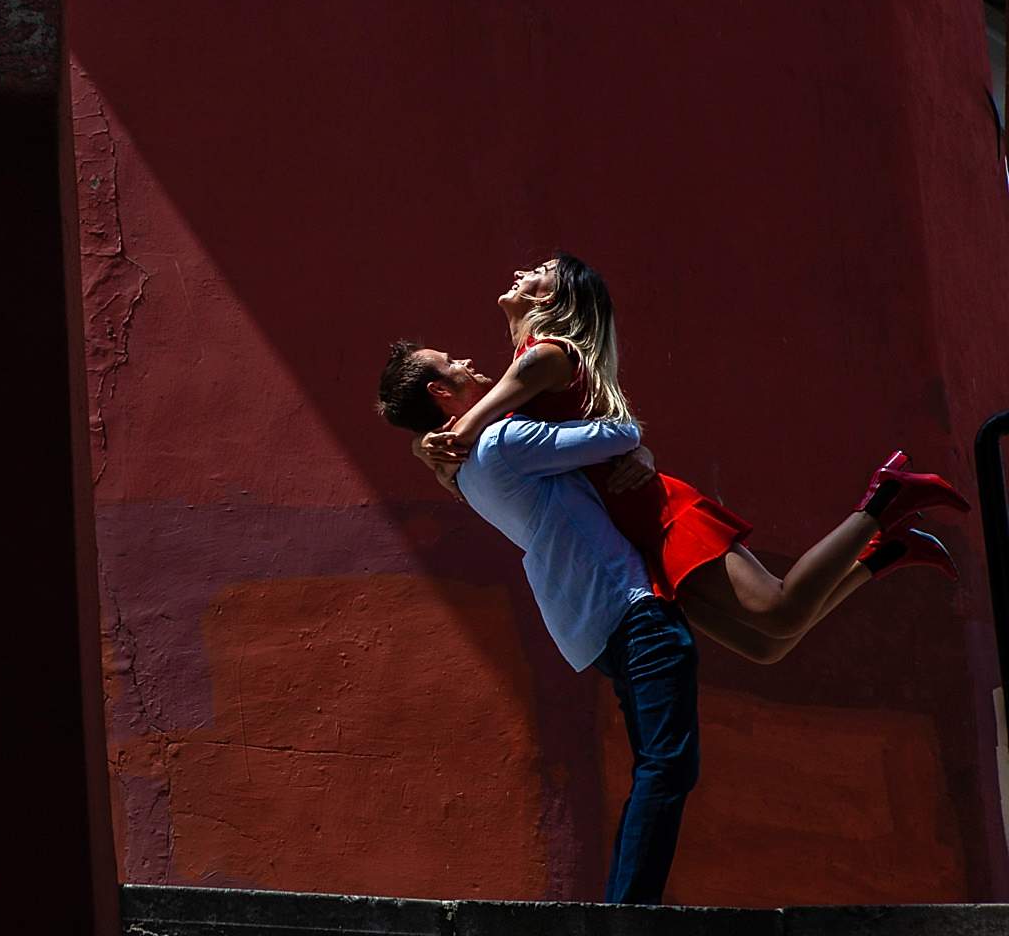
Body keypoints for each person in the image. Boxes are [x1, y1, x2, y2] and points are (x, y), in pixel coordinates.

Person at [415, 253, 969, 664]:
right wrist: (433, 448)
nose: (522, 272)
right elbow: (510, 441)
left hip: (655, 513)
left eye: (540, 270)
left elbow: (476, 432)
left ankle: (885, 498)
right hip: (635, 530)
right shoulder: (529, 365)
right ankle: (886, 552)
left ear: (552, 300)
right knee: (765, 646)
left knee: (778, 610)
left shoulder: (544, 358)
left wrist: (437, 442)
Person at [377, 345, 695, 904]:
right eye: (450, 362)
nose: (466, 360)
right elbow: (619, 433)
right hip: (630, 605)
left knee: (659, 764)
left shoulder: (465, 471)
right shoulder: (504, 441)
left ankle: (627, 907)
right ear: (440, 392)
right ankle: (628, 913)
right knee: (667, 765)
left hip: (592, 622)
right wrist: (637, 448)